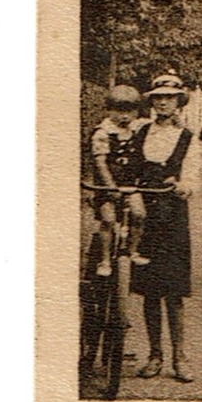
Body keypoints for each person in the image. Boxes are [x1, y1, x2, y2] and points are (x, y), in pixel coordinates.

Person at [130, 74, 201, 381]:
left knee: (173, 291)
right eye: (157, 97)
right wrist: (133, 197)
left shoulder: (188, 137)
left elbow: (193, 178)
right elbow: (129, 171)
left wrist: (182, 185)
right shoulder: (141, 132)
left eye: (169, 98)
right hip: (144, 215)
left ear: (178, 103)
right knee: (149, 292)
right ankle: (154, 355)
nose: (162, 102)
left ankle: (179, 358)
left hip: (172, 216)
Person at [85, 84, 148, 278]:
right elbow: (101, 163)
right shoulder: (103, 133)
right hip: (107, 187)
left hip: (131, 185)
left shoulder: (138, 129)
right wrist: (110, 187)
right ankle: (104, 259)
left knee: (139, 213)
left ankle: (132, 250)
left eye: (130, 111)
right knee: (108, 219)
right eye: (119, 111)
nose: (125, 116)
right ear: (109, 110)